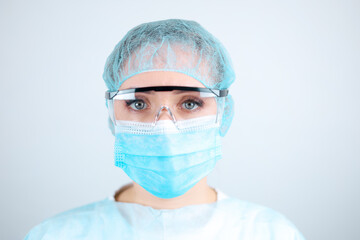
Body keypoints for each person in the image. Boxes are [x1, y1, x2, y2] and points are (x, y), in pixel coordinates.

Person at [25, 19, 306, 240]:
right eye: (137, 103)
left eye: (190, 103)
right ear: (112, 114)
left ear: (224, 112)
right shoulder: (55, 236)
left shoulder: (272, 234)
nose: (164, 129)